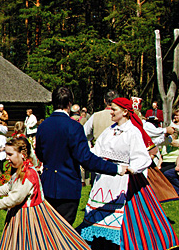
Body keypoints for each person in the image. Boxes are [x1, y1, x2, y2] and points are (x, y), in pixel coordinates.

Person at [77, 97, 179, 250]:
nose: (111, 112)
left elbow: (142, 157)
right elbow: (97, 151)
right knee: (98, 215)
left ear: (125, 112)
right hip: (104, 180)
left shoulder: (132, 132)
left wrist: (132, 169)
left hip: (123, 181)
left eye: (114, 109)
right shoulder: (109, 130)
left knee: (125, 219)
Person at [36, 86, 122, 225]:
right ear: (70, 103)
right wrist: (115, 168)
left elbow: (40, 153)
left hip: (48, 185)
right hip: (68, 186)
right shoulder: (74, 127)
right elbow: (86, 159)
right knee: (65, 231)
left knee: (48, 230)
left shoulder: (44, 126)